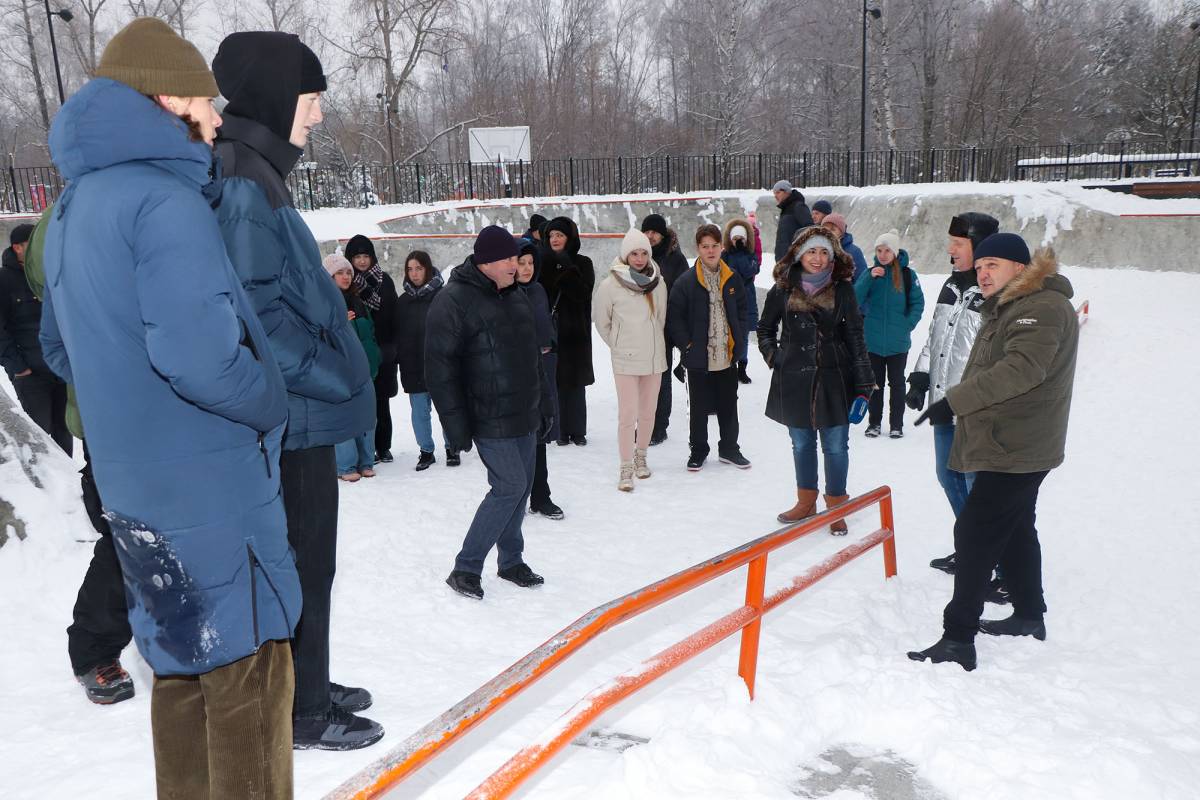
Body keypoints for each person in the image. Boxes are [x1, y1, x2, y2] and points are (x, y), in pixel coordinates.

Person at [40, 18, 300, 795]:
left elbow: (63, 353)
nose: (217, 118)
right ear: (163, 101)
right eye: (203, 102)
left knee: (182, 678)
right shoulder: (165, 204)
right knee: (250, 679)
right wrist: (266, 404)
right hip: (210, 490)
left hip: (135, 492)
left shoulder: (74, 207)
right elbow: (198, 359)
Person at [211, 31, 382, 751]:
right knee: (306, 563)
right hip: (296, 414)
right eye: (311, 101)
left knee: (313, 562)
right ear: (279, 96)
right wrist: (336, 368)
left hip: (301, 412)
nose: (315, 116)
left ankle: (309, 684)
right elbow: (256, 319)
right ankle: (303, 710)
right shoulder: (246, 180)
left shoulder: (259, 171)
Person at [908, 233, 1079, 672]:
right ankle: (1028, 615)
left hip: (1017, 445)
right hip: (1015, 440)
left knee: (974, 534)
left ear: (1020, 269)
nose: (982, 273)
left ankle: (958, 637)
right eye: (980, 265)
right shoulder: (1014, 305)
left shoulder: (1038, 308)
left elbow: (1021, 370)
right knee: (1018, 528)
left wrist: (954, 401)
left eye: (994, 265)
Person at [21, 207, 136, 705]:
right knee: (124, 536)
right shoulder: (72, 214)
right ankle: (94, 649)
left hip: (150, 409)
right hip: (113, 415)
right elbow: (46, 280)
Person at [426, 226, 553, 600]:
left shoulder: (517, 298)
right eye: (510, 259)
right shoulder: (453, 301)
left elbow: (533, 358)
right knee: (509, 486)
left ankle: (511, 561)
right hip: (487, 414)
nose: (517, 266)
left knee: (522, 488)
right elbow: (440, 370)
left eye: (518, 258)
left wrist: (544, 403)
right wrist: (455, 427)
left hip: (523, 412)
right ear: (486, 262)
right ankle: (465, 568)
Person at [758, 227, 874, 531]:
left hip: (835, 379)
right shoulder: (782, 289)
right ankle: (806, 502)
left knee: (836, 446)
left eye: (824, 251)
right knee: (801, 444)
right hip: (795, 381)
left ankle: (836, 508)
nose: (819, 259)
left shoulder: (843, 290)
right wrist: (776, 357)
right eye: (812, 251)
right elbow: (765, 330)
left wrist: (864, 385)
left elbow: (856, 337)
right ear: (799, 254)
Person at [907, 211, 999, 574]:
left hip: (975, 408)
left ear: (979, 247)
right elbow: (935, 337)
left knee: (979, 487)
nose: (950, 249)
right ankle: (972, 547)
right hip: (942, 402)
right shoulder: (951, 285)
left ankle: (999, 562)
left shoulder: (993, 292)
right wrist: (919, 377)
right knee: (949, 477)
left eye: (958, 243)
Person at [667, 224, 750, 471]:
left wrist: (739, 338)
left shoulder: (732, 278)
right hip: (698, 356)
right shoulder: (687, 281)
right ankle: (699, 450)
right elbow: (675, 317)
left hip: (726, 354)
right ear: (698, 249)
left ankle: (729, 448)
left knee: (728, 404)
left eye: (715, 245)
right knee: (699, 408)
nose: (711, 250)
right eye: (705, 246)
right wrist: (687, 345)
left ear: (722, 247)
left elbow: (743, 311)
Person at [593, 229, 667, 491]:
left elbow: (660, 319)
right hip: (625, 359)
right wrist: (618, 343)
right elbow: (602, 322)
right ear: (625, 255)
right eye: (634, 253)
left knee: (648, 412)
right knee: (628, 414)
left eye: (644, 252)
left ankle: (641, 457)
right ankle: (625, 466)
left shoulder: (658, 282)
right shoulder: (610, 285)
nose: (639, 258)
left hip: (653, 358)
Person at [2, 223, 71, 455]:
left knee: (65, 431)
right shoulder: (4, 281)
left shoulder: (49, 274)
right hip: (31, 374)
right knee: (40, 439)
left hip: (60, 370)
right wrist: (19, 368)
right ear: (17, 248)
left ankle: (73, 487)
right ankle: (44, 489)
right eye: (32, 243)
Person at [855, 229, 925, 439]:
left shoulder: (907, 275)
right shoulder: (871, 273)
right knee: (875, 385)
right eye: (879, 250)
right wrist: (868, 277)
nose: (883, 254)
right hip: (873, 341)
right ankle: (874, 423)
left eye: (887, 250)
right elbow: (854, 300)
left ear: (895, 252)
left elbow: (918, 303)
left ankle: (896, 425)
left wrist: (907, 325)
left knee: (897, 384)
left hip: (898, 342)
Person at [394, 250, 456, 470]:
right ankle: (426, 451)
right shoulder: (402, 302)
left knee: (446, 409)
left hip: (441, 365)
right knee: (419, 413)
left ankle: (452, 448)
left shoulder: (444, 296)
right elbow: (396, 334)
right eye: (410, 269)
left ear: (427, 269)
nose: (414, 273)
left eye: (419, 268)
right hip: (413, 365)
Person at [517, 240, 565, 519]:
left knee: (540, 434)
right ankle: (516, 495)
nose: (525, 269)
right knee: (522, 436)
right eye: (521, 263)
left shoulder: (537, 290)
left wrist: (551, 343)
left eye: (530, 263)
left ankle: (541, 496)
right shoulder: (506, 293)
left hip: (544, 368)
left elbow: (545, 323)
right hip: (520, 371)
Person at [538, 216, 594, 446]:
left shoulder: (583, 263)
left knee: (576, 384)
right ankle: (560, 429)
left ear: (569, 238)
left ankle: (578, 430)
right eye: (551, 235)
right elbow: (541, 294)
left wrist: (567, 268)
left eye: (559, 235)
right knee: (556, 381)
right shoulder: (541, 263)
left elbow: (583, 292)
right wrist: (556, 267)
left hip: (576, 331)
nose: (554, 239)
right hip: (554, 330)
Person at [344, 234, 399, 463]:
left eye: (366, 255)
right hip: (358, 351)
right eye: (357, 256)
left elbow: (394, 313)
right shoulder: (347, 283)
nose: (362, 261)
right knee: (362, 403)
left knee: (382, 401)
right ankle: (362, 450)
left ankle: (383, 447)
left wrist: (392, 348)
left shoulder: (384, 280)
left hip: (383, 349)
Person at [325, 254, 381, 482]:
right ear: (328, 276)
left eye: (348, 272)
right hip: (339, 369)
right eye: (340, 272)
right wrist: (340, 325)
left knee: (366, 414)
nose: (346, 276)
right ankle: (346, 465)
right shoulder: (324, 304)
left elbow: (371, 334)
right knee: (344, 416)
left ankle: (366, 461)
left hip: (364, 368)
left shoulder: (358, 302)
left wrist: (375, 356)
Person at [641, 213, 689, 445]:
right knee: (642, 378)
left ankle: (659, 426)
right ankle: (645, 422)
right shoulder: (637, 257)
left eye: (654, 232)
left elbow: (683, 293)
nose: (650, 236)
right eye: (646, 232)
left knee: (661, 378)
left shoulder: (675, 259)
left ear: (662, 234)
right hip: (639, 328)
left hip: (664, 327)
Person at [722, 218, 760, 385]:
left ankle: (742, 367)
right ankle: (729, 366)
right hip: (729, 300)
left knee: (743, 336)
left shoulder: (750, 255)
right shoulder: (724, 255)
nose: (738, 242)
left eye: (741, 239)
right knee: (728, 334)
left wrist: (741, 252)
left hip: (747, 301)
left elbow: (749, 271)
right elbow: (728, 273)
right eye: (735, 239)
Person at [771, 179, 814, 263]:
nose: (775, 196)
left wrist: (798, 253)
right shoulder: (786, 209)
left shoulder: (798, 206)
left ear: (786, 191)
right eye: (774, 194)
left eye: (778, 192)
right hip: (784, 260)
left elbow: (810, 229)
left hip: (794, 261)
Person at [821, 213, 868, 284]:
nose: (828, 233)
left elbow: (862, 281)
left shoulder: (853, 252)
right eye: (825, 229)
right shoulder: (817, 251)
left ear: (842, 233)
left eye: (833, 229)